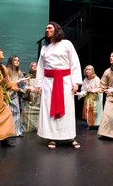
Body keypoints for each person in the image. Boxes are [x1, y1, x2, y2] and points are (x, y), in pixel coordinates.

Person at [35, 21, 83, 149]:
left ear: (56, 30)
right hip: (49, 82)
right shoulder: (45, 48)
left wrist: (76, 82)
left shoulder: (67, 44)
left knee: (67, 108)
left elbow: (74, 63)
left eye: (49, 28)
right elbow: (41, 67)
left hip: (65, 80)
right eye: (45, 28)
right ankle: (52, 137)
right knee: (49, 109)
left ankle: (69, 136)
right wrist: (39, 84)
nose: (47, 29)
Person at [75, 65, 103, 130]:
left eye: (89, 69)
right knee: (88, 110)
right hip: (88, 97)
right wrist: (79, 93)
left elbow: (100, 88)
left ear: (92, 71)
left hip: (96, 97)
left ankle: (98, 125)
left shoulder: (96, 79)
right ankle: (90, 124)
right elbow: (84, 90)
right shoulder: (85, 80)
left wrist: (94, 91)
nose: (87, 71)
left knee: (96, 111)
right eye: (86, 69)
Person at [6, 55, 28, 137]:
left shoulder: (19, 72)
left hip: (15, 94)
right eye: (15, 60)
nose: (17, 61)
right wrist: (19, 81)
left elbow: (22, 85)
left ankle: (16, 131)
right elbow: (7, 84)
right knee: (9, 113)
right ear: (11, 61)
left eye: (18, 60)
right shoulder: (7, 71)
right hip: (7, 94)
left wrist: (27, 88)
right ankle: (8, 132)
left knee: (16, 112)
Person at [21, 62, 41, 132]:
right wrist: (28, 88)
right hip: (30, 100)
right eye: (32, 65)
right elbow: (23, 86)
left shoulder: (42, 78)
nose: (34, 66)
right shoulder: (27, 77)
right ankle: (28, 128)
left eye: (36, 65)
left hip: (39, 100)